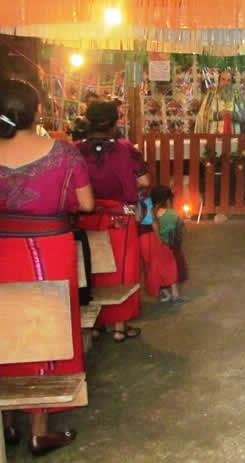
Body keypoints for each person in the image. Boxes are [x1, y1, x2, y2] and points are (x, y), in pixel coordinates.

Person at [0, 78, 94, 456]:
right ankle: (39, 430)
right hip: (48, 248)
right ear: (37, 112)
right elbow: (86, 204)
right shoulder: (64, 153)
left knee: (5, 324)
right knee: (45, 325)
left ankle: (7, 425)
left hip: (2, 247)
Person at [75, 102, 150, 342]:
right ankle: (119, 327)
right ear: (115, 121)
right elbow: (145, 182)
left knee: (92, 268)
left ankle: (96, 325)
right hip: (119, 217)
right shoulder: (126, 149)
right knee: (121, 269)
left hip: (86, 216)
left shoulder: (75, 150)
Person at [148, 185, 188, 303]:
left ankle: (167, 294)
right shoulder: (172, 213)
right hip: (172, 246)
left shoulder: (152, 213)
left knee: (162, 270)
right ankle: (175, 294)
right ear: (167, 200)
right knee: (174, 269)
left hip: (158, 246)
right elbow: (181, 227)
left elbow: (154, 229)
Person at [195, 70, 245, 134]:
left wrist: (232, 115)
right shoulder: (211, 95)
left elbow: (243, 116)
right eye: (223, 79)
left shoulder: (237, 96)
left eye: (228, 80)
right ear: (219, 81)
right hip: (214, 136)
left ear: (231, 83)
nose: (226, 83)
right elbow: (202, 114)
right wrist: (218, 115)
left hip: (234, 137)